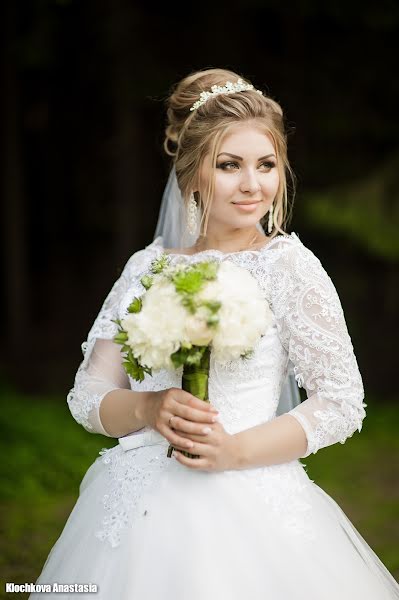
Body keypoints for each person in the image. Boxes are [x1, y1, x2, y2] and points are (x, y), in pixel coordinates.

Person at [30, 68, 399, 599]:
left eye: (266, 165)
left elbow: (341, 401)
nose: (253, 185)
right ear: (192, 173)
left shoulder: (288, 266)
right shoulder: (146, 268)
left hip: (250, 498)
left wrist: (234, 451)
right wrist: (147, 409)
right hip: (135, 505)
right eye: (230, 166)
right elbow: (86, 394)